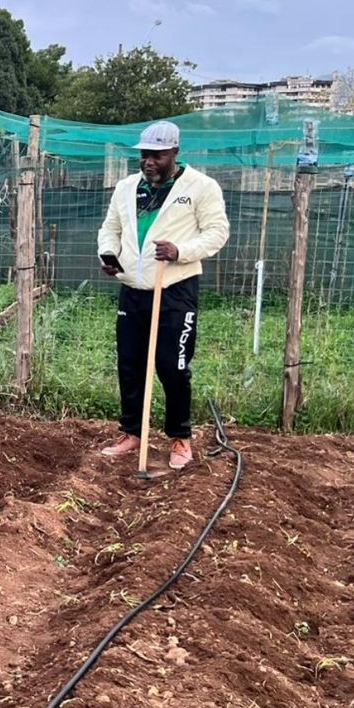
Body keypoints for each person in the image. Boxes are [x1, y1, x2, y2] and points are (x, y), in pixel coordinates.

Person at [97, 120, 229, 470]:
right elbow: (110, 228)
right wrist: (108, 254)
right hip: (134, 289)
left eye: (157, 155)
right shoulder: (127, 188)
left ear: (174, 153)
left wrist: (180, 250)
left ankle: (180, 438)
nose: (149, 161)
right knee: (130, 365)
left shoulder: (201, 187)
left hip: (174, 289)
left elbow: (218, 232)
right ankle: (132, 432)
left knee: (173, 367)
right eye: (144, 155)